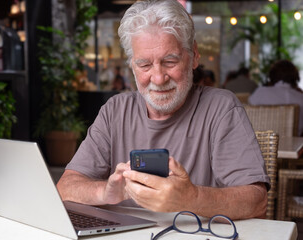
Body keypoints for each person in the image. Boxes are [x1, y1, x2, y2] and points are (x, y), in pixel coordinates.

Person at [57, 0, 269, 220]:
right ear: (132, 65)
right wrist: (106, 192)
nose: (158, 78)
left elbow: (256, 202)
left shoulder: (221, 108)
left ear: (194, 55)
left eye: (169, 61)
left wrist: (191, 198)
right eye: (145, 65)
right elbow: (65, 187)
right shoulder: (115, 110)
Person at [249, 60, 303, 136]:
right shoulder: (300, 97)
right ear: (295, 77)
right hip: (295, 145)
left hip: (264, 143)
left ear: (272, 75)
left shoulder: (261, 92)